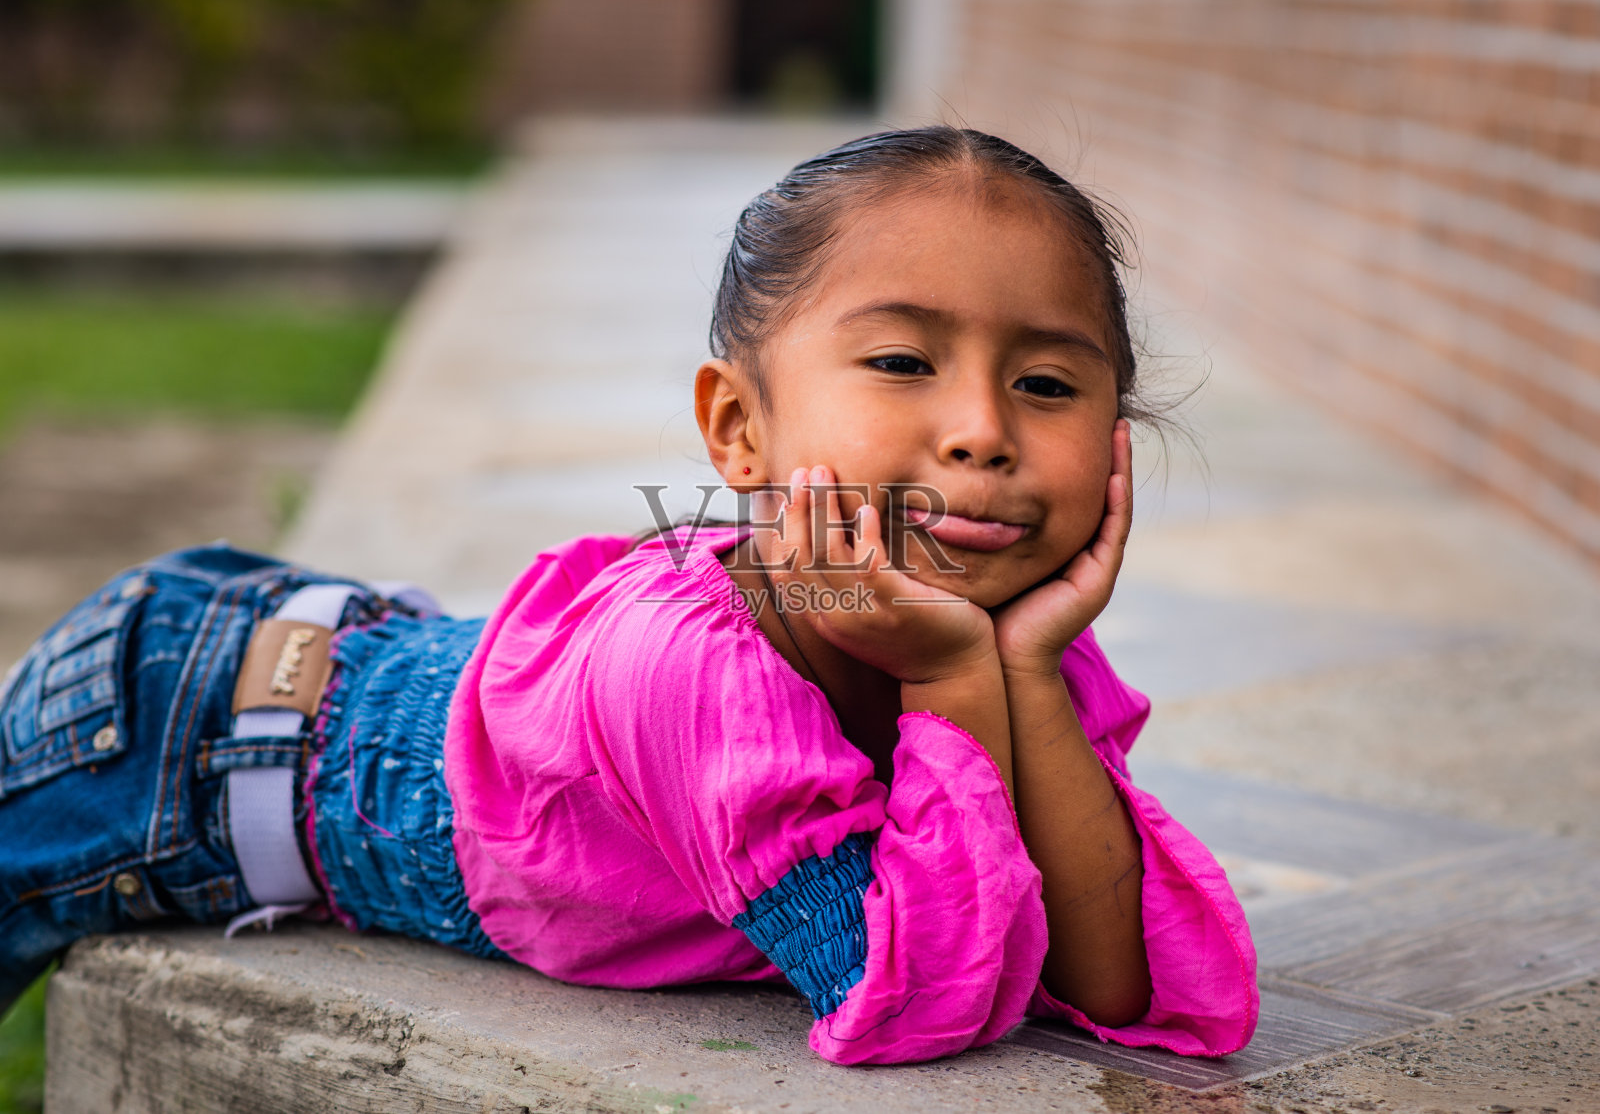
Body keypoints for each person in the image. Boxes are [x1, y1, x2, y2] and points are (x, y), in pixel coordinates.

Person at [0, 127, 1257, 1065]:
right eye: (900, 362)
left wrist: (1019, 674)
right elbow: (911, 999)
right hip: (181, 730)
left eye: (1046, 383)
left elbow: (1154, 987)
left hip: (325, 658)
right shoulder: (697, 671)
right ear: (739, 427)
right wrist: (948, 683)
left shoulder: (994, 639)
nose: (981, 430)